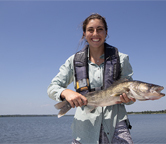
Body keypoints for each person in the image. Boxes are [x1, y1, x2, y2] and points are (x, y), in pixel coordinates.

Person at [47, 13, 136, 144]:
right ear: (84, 34)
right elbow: (52, 87)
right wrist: (65, 92)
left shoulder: (121, 59)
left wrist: (129, 99)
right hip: (84, 128)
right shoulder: (73, 61)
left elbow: (129, 99)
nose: (95, 33)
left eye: (100, 29)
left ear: (106, 33)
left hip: (116, 125)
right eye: (90, 30)